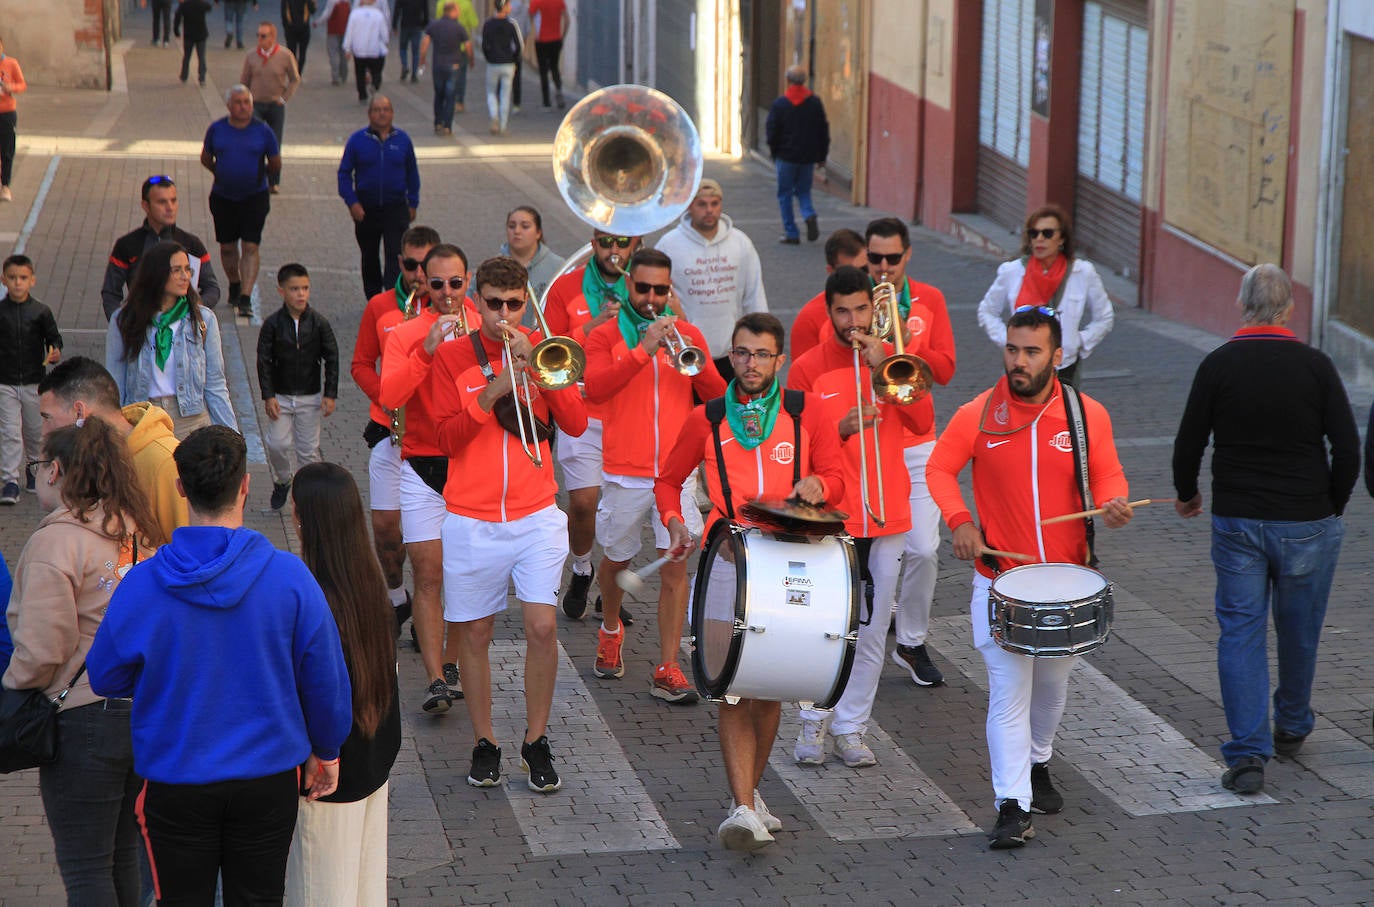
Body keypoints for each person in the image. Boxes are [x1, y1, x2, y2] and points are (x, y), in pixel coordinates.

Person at [87, 425, 353, 904]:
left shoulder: (143, 584)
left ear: (181, 487)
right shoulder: (289, 576)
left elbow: (105, 675)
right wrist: (327, 750)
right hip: (267, 781)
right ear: (245, 486)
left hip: (176, 780)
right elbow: (325, 679)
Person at [927, 306, 1134, 850]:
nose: (1019, 361)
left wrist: (1113, 500)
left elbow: (1108, 472)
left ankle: (1039, 760)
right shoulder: (979, 413)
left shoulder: (1088, 415)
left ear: (1058, 356)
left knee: (1052, 687)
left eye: (1033, 351)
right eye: (1013, 349)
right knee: (1008, 693)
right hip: (1001, 580)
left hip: (1066, 583)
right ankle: (1011, 805)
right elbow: (939, 469)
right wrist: (961, 520)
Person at [656, 312, 845, 851]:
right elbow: (668, 481)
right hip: (727, 564)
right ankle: (742, 805)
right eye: (741, 353)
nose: (751, 363)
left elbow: (839, 479)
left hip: (790, 562)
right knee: (734, 689)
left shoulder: (806, 414)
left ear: (779, 360)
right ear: (730, 356)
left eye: (762, 354)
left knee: (770, 690)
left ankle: (751, 794)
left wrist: (819, 482)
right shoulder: (706, 418)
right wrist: (674, 521)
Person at [1173, 263, 1358, 794]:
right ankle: (1293, 723)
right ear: (1289, 308)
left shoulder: (1219, 364)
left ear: (1242, 304)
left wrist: (1188, 494)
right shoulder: (1317, 366)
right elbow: (1347, 448)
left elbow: (1189, 443)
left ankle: (1248, 753)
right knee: (1300, 629)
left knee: (1240, 631)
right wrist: (1332, 506)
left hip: (1237, 521)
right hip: (1307, 520)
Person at [431, 256, 588, 791]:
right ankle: (485, 741)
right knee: (475, 631)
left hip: (536, 514)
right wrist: (495, 389)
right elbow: (445, 438)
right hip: (471, 519)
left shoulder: (544, 350)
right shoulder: (454, 357)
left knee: (542, 627)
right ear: (478, 302)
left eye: (514, 304)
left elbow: (576, 422)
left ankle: (536, 740)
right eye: (493, 304)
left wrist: (541, 371)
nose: (503, 315)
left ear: (527, 302)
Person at [3, 420, 164, 904]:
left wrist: (15, 682)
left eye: (37, 468)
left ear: (55, 471)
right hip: (141, 715)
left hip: (82, 722)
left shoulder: (56, 543)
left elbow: (44, 649)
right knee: (122, 859)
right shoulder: (138, 533)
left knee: (85, 869)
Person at [787, 265, 933, 768]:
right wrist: (842, 428)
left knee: (872, 633)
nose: (853, 321)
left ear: (874, 309)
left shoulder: (893, 360)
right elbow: (794, 446)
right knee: (824, 628)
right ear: (828, 313)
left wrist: (887, 364)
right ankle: (812, 723)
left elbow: (923, 421)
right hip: (833, 519)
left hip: (888, 516)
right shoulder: (808, 367)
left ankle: (851, 728)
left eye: (861, 310)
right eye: (842, 311)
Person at [582, 248, 727, 700]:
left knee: (675, 565)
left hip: (676, 472)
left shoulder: (686, 335)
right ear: (628, 286)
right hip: (625, 471)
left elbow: (720, 397)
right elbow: (598, 390)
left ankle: (666, 665)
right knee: (617, 559)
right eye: (642, 288)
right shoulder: (605, 336)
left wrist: (692, 348)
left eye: (659, 290)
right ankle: (610, 628)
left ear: (669, 291)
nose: (650, 298)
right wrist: (642, 350)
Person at [285, 463, 401, 907]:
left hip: (327, 779)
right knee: (365, 894)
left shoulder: (311, 595)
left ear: (304, 520)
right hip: (373, 763)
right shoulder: (369, 584)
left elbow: (314, 692)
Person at [379, 243, 477, 713]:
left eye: (455, 283)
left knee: (461, 576)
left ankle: (453, 661)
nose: (446, 292)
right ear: (423, 284)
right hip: (420, 464)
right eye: (436, 283)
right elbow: (390, 394)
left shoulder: (486, 327)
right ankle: (436, 677)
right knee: (429, 575)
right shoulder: (404, 334)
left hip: (470, 464)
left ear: (468, 279)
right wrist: (428, 349)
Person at [865, 216, 957, 689]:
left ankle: (912, 640)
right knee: (871, 553)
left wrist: (903, 343)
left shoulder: (932, 300)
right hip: (870, 443)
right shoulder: (852, 303)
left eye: (892, 259)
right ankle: (859, 636)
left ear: (907, 256)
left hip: (919, 443)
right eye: (875, 258)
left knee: (924, 548)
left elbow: (946, 369)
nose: (883, 267)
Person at [541, 229, 641, 623]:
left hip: (629, 413)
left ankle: (610, 587)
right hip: (581, 409)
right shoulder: (567, 287)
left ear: (635, 245)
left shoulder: (646, 285)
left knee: (624, 512)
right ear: (593, 242)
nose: (613, 250)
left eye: (622, 243)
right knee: (582, 504)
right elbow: (547, 347)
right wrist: (595, 325)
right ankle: (581, 570)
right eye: (605, 242)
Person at [351, 224, 438, 629]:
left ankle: (427, 611)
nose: (417, 274)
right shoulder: (380, 307)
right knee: (386, 530)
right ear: (399, 261)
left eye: (426, 266)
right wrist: (386, 395)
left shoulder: (453, 312)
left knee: (427, 541)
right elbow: (361, 364)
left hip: (434, 439)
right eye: (410, 264)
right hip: (390, 431)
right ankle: (396, 596)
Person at [37, 355, 189, 540]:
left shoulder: (165, 463)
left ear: (79, 411)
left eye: (47, 418)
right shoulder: (91, 460)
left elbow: (191, 553)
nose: (44, 432)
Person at [105, 241, 238, 438]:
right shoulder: (123, 320)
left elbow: (216, 385)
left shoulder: (203, 319)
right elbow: (115, 383)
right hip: (143, 420)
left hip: (191, 422)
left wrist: (232, 440)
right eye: (177, 270)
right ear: (156, 274)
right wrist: (115, 433)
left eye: (187, 269)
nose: (186, 277)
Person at [976, 205, 1114, 390]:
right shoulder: (1012, 271)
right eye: (1034, 233)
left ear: (1062, 238)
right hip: (1022, 368)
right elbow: (987, 311)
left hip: (1065, 368)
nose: (1039, 239)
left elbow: (1104, 317)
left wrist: (1080, 341)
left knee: (1063, 417)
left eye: (1047, 233)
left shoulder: (1082, 272)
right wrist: (1007, 339)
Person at [653, 178, 768, 380]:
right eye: (702, 204)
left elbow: (754, 296)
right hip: (686, 351)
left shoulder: (741, 243)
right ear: (689, 205)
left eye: (714, 204)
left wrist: (762, 346)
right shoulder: (669, 245)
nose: (709, 210)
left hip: (733, 354)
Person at [257, 263, 339, 510]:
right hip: (280, 397)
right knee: (277, 444)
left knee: (308, 451)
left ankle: (307, 497)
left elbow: (332, 356)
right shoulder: (272, 325)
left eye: (305, 288)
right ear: (281, 291)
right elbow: (263, 361)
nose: (301, 294)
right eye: (294, 289)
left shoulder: (319, 323)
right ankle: (283, 480)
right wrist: (268, 395)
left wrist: (330, 394)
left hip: (309, 397)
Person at [201, 84, 281, 318]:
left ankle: (245, 296)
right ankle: (234, 283)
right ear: (229, 106)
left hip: (254, 197)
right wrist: (222, 172)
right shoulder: (217, 129)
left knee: (250, 245)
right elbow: (206, 158)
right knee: (227, 247)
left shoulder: (263, 131)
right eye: (238, 102)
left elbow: (275, 163)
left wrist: (258, 176)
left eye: (247, 102)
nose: (243, 107)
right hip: (223, 197)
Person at [101, 175, 221, 319]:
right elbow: (110, 292)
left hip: (183, 330)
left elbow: (212, 288)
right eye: (162, 202)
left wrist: (193, 309)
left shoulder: (192, 244)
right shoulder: (127, 245)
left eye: (173, 200)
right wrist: (119, 324)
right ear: (146, 205)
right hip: (140, 328)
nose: (170, 207)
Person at [338, 95, 421, 300]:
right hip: (366, 210)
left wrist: (413, 202)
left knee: (396, 255)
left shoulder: (403, 140)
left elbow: (412, 172)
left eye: (385, 109)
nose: (381, 113)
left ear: (392, 113)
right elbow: (344, 174)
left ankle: (394, 297)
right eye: (377, 109)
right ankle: (374, 299)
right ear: (369, 114)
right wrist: (352, 202)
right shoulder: (357, 140)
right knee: (369, 256)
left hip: (396, 208)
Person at [0, 254, 62, 504]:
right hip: (4, 382)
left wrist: (55, 350)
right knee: (10, 431)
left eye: (23, 278)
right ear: (3, 280)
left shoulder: (40, 312)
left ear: (32, 280)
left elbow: (53, 338)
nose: (17, 283)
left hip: (34, 382)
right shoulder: (0, 312)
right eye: (12, 278)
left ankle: (34, 469)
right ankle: (10, 481)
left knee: (36, 431)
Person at [766, 64, 829, 245]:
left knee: (784, 193)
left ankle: (791, 232)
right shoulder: (815, 103)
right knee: (803, 191)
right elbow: (822, 130)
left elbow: (772, 131)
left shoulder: (780, 104)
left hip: (786, 156)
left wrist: (774, 152)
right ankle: (809, 214)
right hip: (807, 157)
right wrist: (822, 156)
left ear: (787, 80)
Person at [788, 228, 866, 360]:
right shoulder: (808, 319)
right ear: (830, 272)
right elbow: (803, 373)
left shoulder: (882, 304)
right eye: (847, 271)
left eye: (865, 269)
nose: (858, 278)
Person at [241, 22, 301, 193]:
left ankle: (273, 182)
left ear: (272, 38)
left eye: (263, 36)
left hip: (275, 105)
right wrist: (245, 101)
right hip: (256, 105)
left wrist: (284, 98)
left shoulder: (284, 55)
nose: (259, 39)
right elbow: (244, 80)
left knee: (274, 143)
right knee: (256, 142)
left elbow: (295, 79)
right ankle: (257, 179)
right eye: (258, 35)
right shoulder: (251, 56)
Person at [419, 2, 473, 135]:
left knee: (439, 95)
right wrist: (471, 60)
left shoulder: (434, 25)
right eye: (457, 10)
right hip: (453, 66)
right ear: (452, 11)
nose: (459, 13)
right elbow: (468, 46)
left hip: (438, 65)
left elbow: (425, 43)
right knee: (450, 96)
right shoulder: (459, 27)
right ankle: (447, 125)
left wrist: (422, 60)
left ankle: (438, 122)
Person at [499, 205, 563, 314]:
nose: (517, 231)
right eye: (511, 226)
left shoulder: (559, 268)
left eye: (525, 226)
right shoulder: (492, 267)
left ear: (538, 232)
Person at [480, 0, 521, 135]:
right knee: (505, 94)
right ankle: (503, 126)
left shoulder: (488, 24)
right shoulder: (511, 24)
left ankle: (494, 117)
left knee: (491, 92)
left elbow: (484, 44)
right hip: (508, 63)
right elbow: (519, 45)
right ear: (505, 7)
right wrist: (515, 60)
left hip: (493, 63)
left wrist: (489, 57)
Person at [341, 0, 389, 102]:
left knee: (360, 72)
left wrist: (347, 48)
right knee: (377, 70)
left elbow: (349, 31)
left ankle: (362, 94)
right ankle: (375, 84)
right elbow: (384, 35)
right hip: (374, 49)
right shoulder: (378, 15)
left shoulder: (355, 14)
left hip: (359, 49)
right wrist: (385, 40)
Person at [0, 38, 28, 203]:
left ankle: (5, 186)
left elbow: (22, 84)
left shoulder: (11, 64)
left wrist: (11, 88)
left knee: (7, 149)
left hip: (7, 112)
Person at [527, 0, 567, 109]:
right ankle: (558, 89)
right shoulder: (559, 2)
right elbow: (567, 20)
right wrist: (562, 36)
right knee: (554, 67)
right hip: (556, 39)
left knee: (543, 70)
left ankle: (546, 102)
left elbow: (530, 16)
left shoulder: (536, 2)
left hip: (541, 40)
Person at [173, 0, 214, 85]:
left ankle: (184, 75)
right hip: (201, 34)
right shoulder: (201, 4)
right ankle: (202, 77)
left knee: (187, 56)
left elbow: (177, 17)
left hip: (189, 34)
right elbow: (209, 8)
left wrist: (176, 30)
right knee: (201, 57)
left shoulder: (184, 5)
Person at [315, 0, 351, 86]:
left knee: (333, 54)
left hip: (333, 30)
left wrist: (318, 22)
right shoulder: (347, 2)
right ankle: (344, 75)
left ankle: (335, 77)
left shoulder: (332, 1)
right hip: (345, 30)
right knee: (343, 54)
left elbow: (327, 14)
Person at [392, 0, 428, 81]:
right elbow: (426, 11)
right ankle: (414, 74)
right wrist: (424, 24)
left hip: (405, 25)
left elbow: (397, 10)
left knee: (402, 48)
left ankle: (405, 66)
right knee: (415, 52)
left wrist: (394, 25)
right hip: (417, 25)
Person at [281, 0, 315, 71]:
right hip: (304, 29)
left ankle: (294, 74)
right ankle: (298, 73)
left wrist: (286, 28)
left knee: (291, 54)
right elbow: (312, 10)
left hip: (290, 29)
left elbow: (283, 13)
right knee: (302, 53)